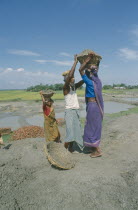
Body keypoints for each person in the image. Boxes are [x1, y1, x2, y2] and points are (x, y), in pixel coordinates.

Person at [79, 54, 104, 157]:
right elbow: (95, 69)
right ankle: (92, 147)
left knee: (90, 126)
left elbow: (80, 70)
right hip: (96, 107)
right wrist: (96, 63)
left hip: (92, 106)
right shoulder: (98, 82)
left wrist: (86, 61)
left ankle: (97, 150)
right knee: (94, 126)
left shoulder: (89, 82)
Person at [62, 54, 84, 152]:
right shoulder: (65, 87)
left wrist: (87, 73)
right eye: (71, 77)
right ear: (67, 79)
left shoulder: (73, 86)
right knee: (70, 131)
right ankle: (64, 150)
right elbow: (70, 74)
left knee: (76, 129)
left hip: (75, 111)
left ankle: (71, 147)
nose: (73, 77)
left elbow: (82, 81)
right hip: (70, 111)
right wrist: (75, 62)